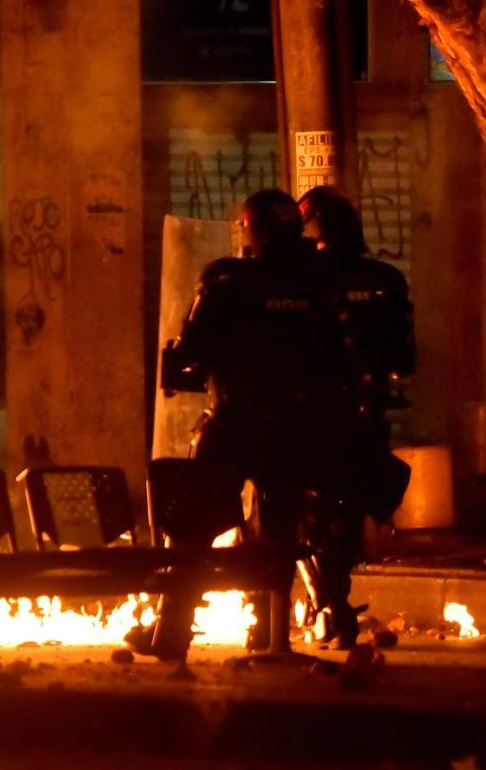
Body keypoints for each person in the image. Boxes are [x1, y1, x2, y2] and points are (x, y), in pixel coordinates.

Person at [139, 189, 341, 661]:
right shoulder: (321, 281)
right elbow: (336, 350)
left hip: (234, 421)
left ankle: (171, 636)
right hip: (296, 426)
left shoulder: (228, 279)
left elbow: (190, 350)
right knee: (277, 533)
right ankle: (269, 635)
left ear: (251, 228)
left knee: (192, 529)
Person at [295, 185, 414, 647]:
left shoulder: (302, 278)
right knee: (344, 512)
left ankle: (328, 605)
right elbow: (404, 357)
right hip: (367, 415)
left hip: (311, 417)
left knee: (302, 512)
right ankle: (331, 604)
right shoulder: (386, 278)